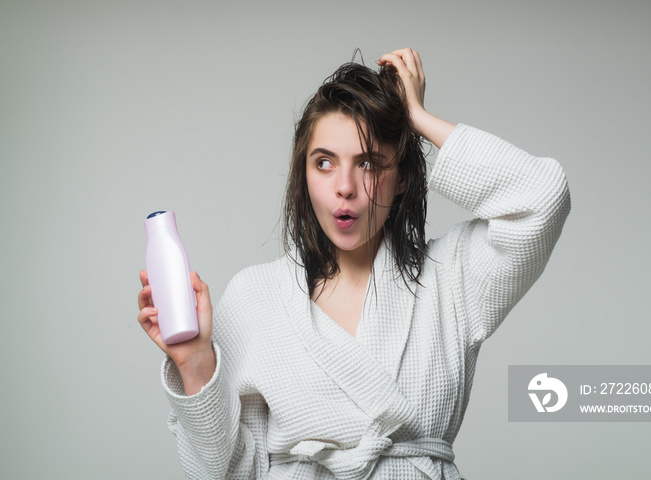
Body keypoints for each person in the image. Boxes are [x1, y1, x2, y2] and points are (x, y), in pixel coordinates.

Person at [137, 48, 571, 479]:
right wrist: (194, 362)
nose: (344, 187)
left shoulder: (451, 277)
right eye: (323, 163)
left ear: (401, 176)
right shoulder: (255, 297)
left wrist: (416, 117)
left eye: (368, 163)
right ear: (303, 174)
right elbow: (230, 473)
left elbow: (542, 198)